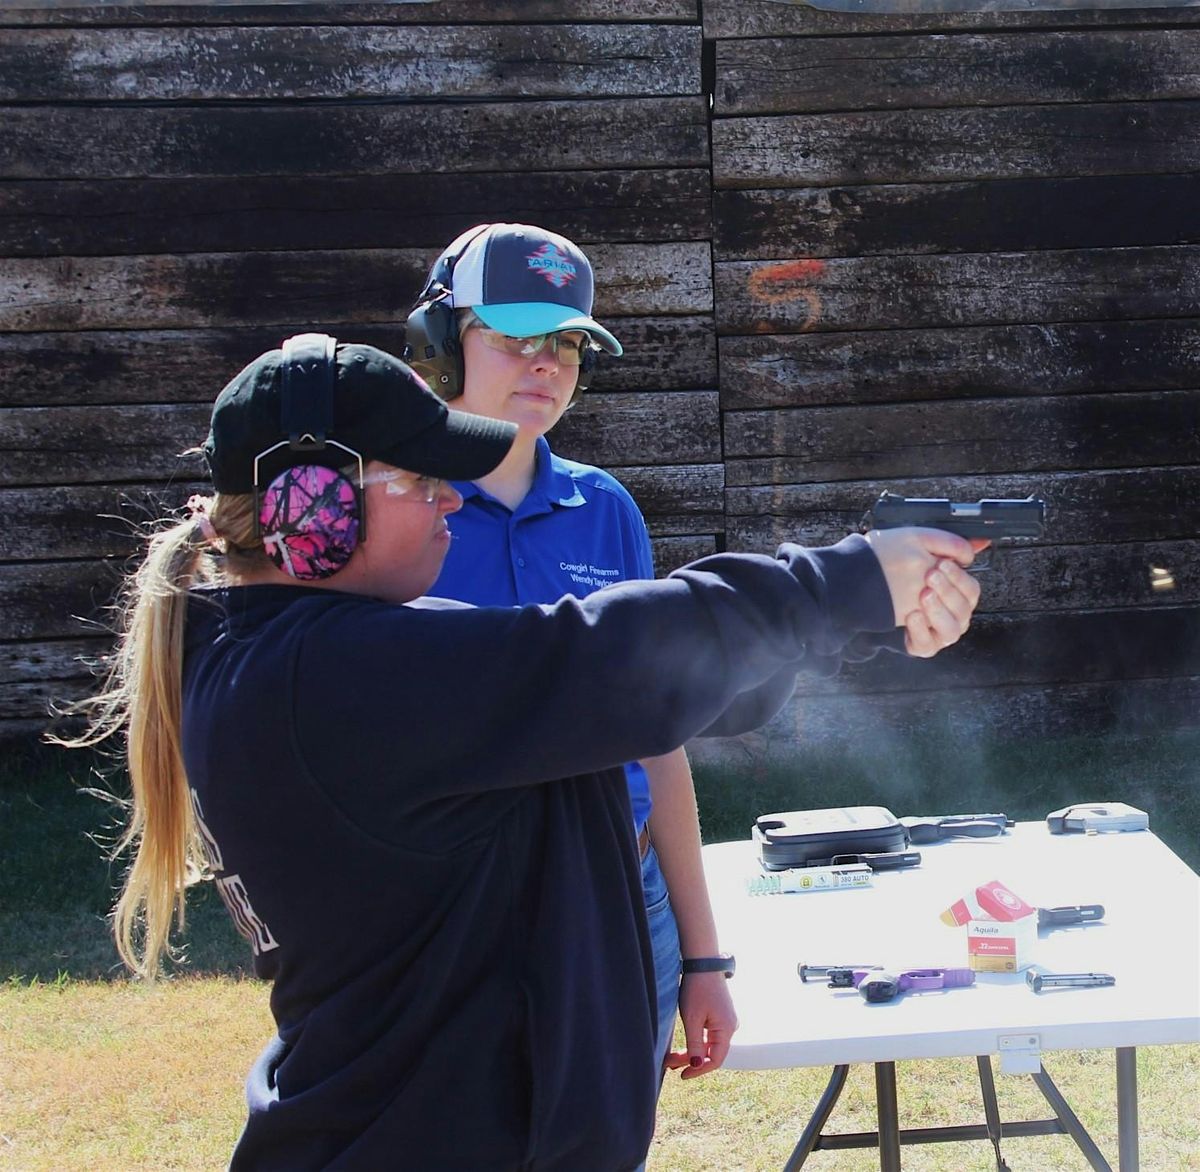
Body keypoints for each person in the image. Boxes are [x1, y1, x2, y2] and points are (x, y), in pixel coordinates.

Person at [60, 332, 981, 1171]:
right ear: (314, 504)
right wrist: (843, 583)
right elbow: (595, 659)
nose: (450, 498)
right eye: (419, 479)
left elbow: (637, 698)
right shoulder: (327, 680)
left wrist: (867, 617)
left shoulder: (298, 664)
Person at [404, 223, 734, 1117]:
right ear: (441, 342)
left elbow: (657, 739)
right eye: (512, 336)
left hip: (625, 897)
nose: (543, 363)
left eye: (565, 342)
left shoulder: (606, 510)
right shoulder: (395, 505)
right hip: (453, 906)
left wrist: (703, 957)